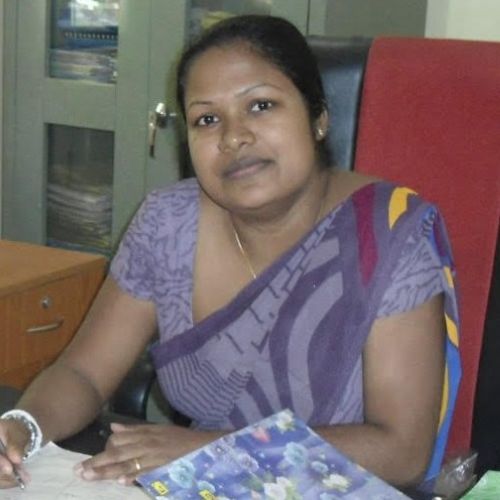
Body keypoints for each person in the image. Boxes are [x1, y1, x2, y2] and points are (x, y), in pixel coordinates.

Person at [0, 15, 460, 491]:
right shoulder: (168, 224)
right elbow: (83, 373)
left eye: (261, 106)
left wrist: (215, 450)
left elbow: (403, 451)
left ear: (318, 118)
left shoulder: (388, 234)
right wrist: (20, 429)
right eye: (207, 119)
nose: (233, 136)